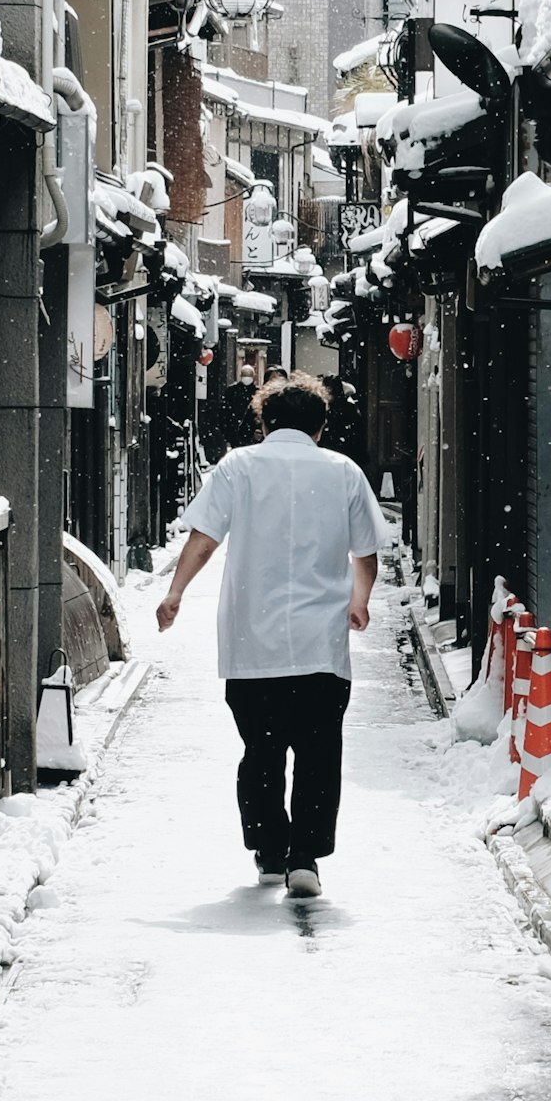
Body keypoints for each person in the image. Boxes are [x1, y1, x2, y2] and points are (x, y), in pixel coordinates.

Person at [158, 372, 381, 896]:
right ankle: (305, 857)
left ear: (264, 422)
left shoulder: (239, 466)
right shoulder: (343, 472)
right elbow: (366, 552)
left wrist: (176, 592)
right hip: (320, 642)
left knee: (260, 748)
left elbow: (204, 537)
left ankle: (268, 852)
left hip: (250, 642)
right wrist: (359, 601)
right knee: (319, 750)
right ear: (321, 427)